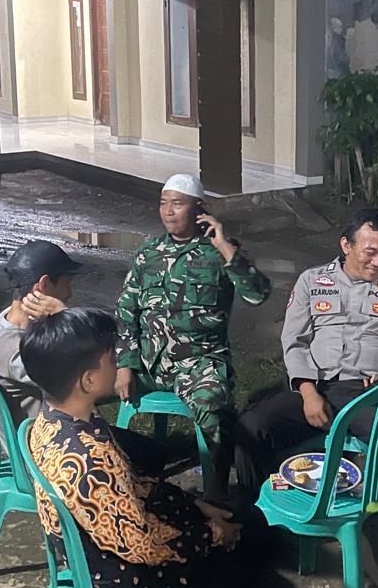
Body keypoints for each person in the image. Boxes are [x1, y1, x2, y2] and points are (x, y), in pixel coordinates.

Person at [21, 308, 375, 588]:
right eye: (111, 356)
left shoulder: (54, 422)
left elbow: (130, 490)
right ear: (89, 380)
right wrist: (211, 534)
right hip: (142, 580)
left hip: (127, 549)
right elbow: (143, 545)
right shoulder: (88, 459)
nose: (119, 360)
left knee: (252, 527)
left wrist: (197, 506)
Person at [234, 208, 378, 588]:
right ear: (346, 245)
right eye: (370, 252)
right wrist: (307, 391)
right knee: (251, 428)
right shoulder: (312, 281)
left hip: (371, 394)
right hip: (317, 388)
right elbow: (294, 341)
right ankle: (260, 531)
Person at [115, 174, 270, 502]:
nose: (168, 211)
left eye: (177, 204)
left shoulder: (219, 253)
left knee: (213, 405)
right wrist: (125, 364)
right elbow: (127, 312)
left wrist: (224, 246)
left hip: (199, 362)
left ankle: (216, 491)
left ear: (200, 209)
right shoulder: (147, 254)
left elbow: (258, 295)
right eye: (163, 203)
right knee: (83, 388)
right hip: (149, 362)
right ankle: (116, 475)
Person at [0, 239, 166, 475]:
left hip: (57, 433)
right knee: (150, 459)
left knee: (152, 452)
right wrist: (64, 315)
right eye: (66, 283)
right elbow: (82, 377)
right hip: (49, 454)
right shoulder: (12, 350)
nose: (69, 292)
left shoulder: (15, 323)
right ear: (44, 285)